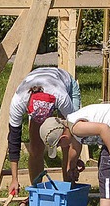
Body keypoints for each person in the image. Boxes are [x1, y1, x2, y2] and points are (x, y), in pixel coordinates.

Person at [7, 67, 81, 196]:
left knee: (66, 143)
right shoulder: (18, 101)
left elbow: (77, 131)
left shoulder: (61, 97)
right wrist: (14, 179)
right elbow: (14, 140)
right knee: (35, 148)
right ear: (28, 108)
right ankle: (36, 192)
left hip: (65, 84)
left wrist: (75, 159)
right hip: (38, 81)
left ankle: (69, 190)